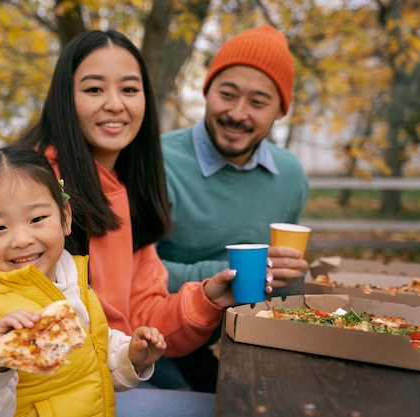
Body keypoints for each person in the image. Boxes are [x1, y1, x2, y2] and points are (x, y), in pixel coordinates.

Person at [16, 29, 272, 410]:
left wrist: (206, 299)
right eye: (94, 89)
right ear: (64, 100)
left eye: (130, 90)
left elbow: (144, 315)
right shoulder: (35, 185)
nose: (115, 104)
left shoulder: (124, 188)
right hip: (46, 394)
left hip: (111, 375)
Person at [0, 145, 169, 417]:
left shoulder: (67, 277)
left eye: (37, 219)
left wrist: (129, 357)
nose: (21, 240)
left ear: (65, 216)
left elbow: (88, 356)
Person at [156, 24, 310, 392]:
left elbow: (284, 279)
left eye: (258, 103)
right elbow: (125, 275)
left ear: (279, 111)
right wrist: (234, 274)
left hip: (242, 339)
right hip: (154, 337)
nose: (238, 114)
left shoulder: (290, 175)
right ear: (207, 91)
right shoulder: (155, 161)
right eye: (227, 94)